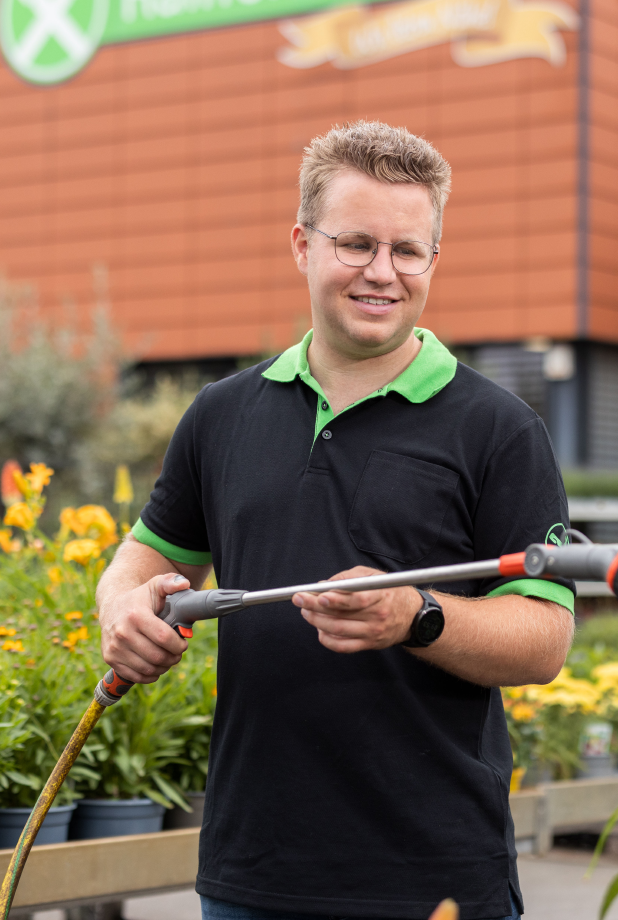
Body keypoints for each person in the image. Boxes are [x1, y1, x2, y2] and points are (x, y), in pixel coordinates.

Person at [96, 121, 576, 920]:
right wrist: (124, 610)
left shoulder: (499, 430)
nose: (382, 273)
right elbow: (144, 559)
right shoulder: (222, 415)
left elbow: (543, 639)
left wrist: (415, 616)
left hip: (435, 877)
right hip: (252, 871)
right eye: (355, 244)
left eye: (407, 250)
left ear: (432, 260)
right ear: (302, 246)